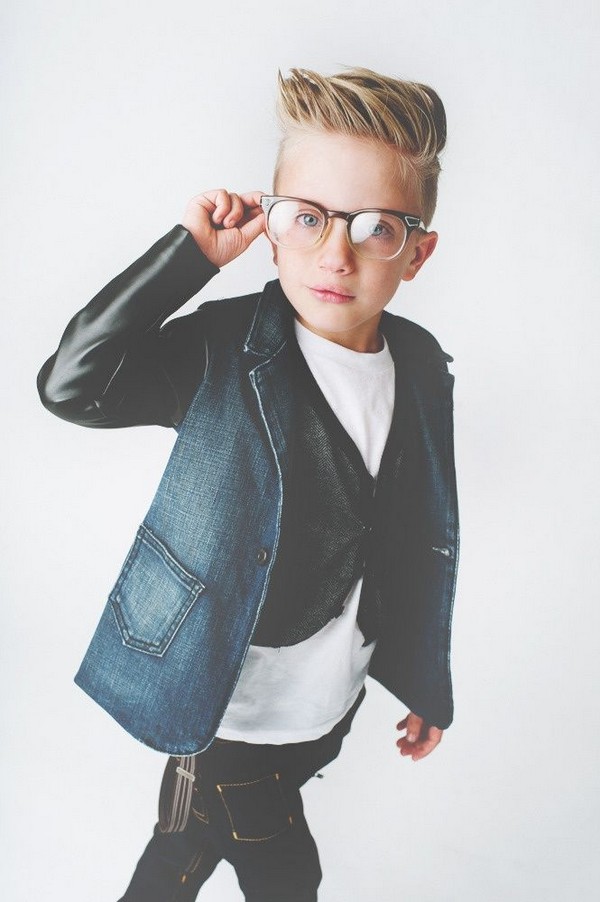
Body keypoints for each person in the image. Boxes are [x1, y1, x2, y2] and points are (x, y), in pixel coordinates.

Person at [37, 67, 459, 902]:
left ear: (417, 252)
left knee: (179, 852)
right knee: (288, 875)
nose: (335, 254)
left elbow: (422, 537)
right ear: (271, 228)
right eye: (309, 218)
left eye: (377, 228)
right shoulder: (225, 348)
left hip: (324, 701)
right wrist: (186, 259)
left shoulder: (419, 365)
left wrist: (423, 677)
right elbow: (72, 387)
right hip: (225, 704)